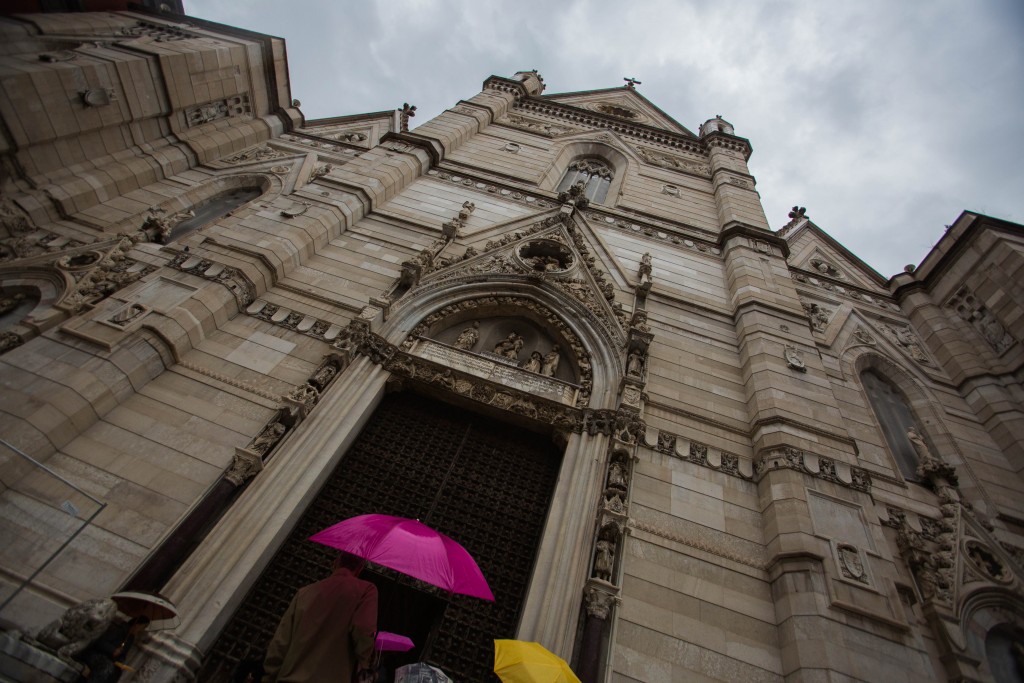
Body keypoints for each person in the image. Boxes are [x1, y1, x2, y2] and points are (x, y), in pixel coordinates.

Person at [263, 552, 378, 683]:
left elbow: (280, 643)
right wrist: (367, 662)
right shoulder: (366, 591)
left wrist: (269, 677)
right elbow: (363, 630)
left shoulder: (304, 593)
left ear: (335, 563)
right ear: (360, 568)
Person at [75, 615, 150, 682]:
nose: (142, 630)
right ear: (137, 625)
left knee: (115, 673)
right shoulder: (119, 630)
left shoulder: (130, 638)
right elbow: (101, 642)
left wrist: (120, 662)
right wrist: (113, 650)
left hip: (110, 660)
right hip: (96, 654)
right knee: (105, 668)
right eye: (143, 627)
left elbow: (123, 655)